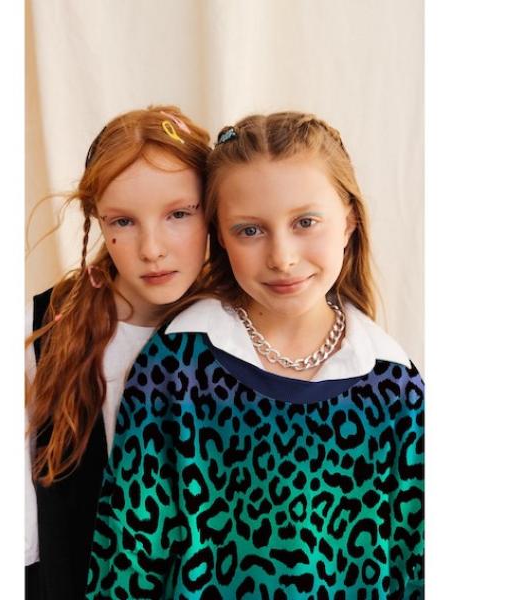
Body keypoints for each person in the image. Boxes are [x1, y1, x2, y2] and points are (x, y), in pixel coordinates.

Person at [86, 112, 424, 599]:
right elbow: (128, 561)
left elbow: (418, 565)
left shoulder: (396, 388)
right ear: (220, 236)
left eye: (305, 222)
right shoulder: (178, 366)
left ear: (349, 221)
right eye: (250, 230)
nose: (282, 256)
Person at [25, 105, 211, 600]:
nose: (151, 248)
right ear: (97, 219)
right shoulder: (41, 331)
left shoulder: (237, 332)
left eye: (178, 214)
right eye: (123, 221)